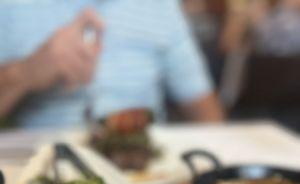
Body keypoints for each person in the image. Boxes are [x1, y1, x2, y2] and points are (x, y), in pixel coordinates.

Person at [0, 1, 224, 129]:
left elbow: (204, 109)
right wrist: (23, 73)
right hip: (41, 167)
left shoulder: (160, 5)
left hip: (147, 171)